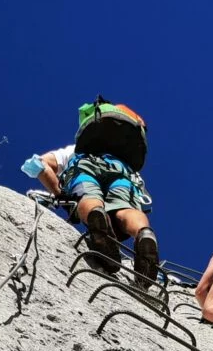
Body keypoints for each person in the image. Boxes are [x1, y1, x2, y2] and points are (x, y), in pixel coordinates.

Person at [24, 99, 159, 285]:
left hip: (85, 165)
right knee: (125, 209)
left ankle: (98, 224)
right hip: (122, 171)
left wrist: (59, 193)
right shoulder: (123, 146)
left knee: (89, 197)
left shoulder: (74, 151)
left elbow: (40, 163)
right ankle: (144, 234)